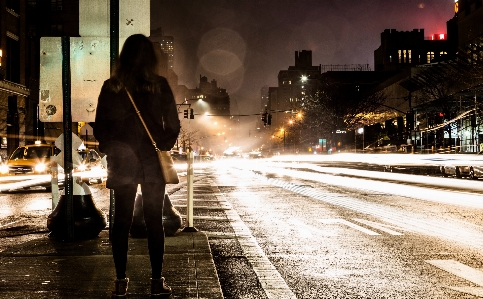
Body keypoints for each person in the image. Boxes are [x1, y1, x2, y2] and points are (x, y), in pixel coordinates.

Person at [94, 34, 181, 298]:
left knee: (120, 222)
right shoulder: (160, 85)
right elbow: (174, 125)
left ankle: (121, 281)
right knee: (154, 220)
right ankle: (156, 281)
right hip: (152, 161)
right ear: (150, 58)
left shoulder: (112, 86)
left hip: (123, 161)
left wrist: (113, 147)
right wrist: (161, 146)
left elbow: (100, 126)